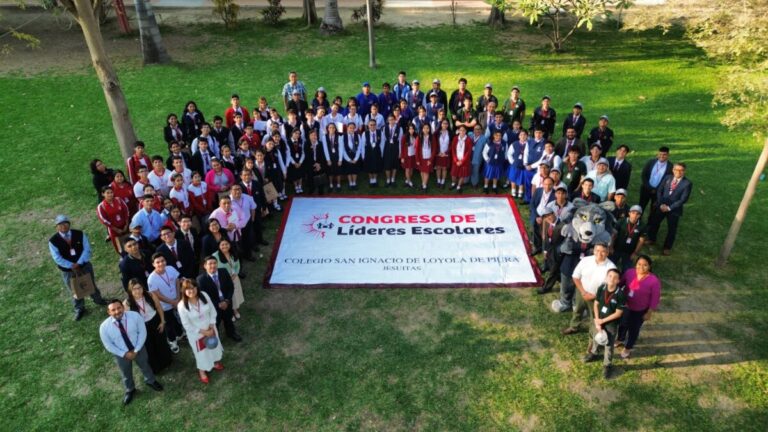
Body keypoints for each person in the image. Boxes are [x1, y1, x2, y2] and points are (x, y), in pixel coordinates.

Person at [99, 299, 164, 405]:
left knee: (145, 364)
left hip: (138, 348)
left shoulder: (135, 316)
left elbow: (142, 332)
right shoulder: (104, 327)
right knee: (125, 372)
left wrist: (136, 349)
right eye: (113, 310)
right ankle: (130, 389)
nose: (117, 311)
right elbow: (108, 345)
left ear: (123, 307)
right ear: (109, 312)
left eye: (119, 308)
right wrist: (124, 354)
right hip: (121, 354)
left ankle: (150, 380)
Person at [49, 215, 107, 321]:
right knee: (74, 289)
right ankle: (79, 308)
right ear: (56, 227)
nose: (63, 226)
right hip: (68, 271)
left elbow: (87, 249)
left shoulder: (79, 234)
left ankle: (98, 300)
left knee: (91, 283)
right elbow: (57, 258)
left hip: (84, 266)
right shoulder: (53, 241)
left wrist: (79, 263)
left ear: (69, 224)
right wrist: (71, 265)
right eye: (60, 224)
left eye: (65, 223)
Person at [561, 243, 616, 334]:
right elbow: (575, 277)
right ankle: (574, 326)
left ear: (607, 253)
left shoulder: (611, 267)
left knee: (595, 316)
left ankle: (594, 335)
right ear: (593, 251)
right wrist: (583, 292)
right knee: (577, 310)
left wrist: (594, 296)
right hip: (581, 291)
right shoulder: (585, 260)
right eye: (597, 250)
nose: (599, 253)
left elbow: (609, 287)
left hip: (597, 297)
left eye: (603, 251)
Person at [177, 279, 224, 384]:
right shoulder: (181, 306)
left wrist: (211, 325)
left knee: (213, 346)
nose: (191, 291)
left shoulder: (204, 295)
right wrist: (203, 332)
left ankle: (215, 363)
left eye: (193, 288)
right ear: (184, 291)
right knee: (201, 353)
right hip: (197, 334)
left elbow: (212, 310)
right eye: (188, 289)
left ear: (197, 288)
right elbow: (186, 325)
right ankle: (202, 371)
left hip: (210, 328)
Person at [616, 255, 661, 359]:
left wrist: (649, 312)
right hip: (626, 306)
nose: (641, 267)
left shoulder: (653, 281)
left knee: (634, 329)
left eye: (645, 265)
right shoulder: (629, 272)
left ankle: (628, 347)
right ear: (635, 264)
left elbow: (655, 298)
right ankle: (620, 339)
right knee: (623, 324)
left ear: (649, 266)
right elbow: (620, 284)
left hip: (640, 310)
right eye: (639, 264)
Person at [584, 269, 626, 379]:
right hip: (598, 319)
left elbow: (618, 313)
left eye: (615, 277)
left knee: (608, 344)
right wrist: (597, 319)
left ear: (618, 280)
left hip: (610, 323)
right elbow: (596, 304)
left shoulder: (620, 294)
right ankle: (594, 352)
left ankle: (607, 365)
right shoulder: (601, 288)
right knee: (595, 337)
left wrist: (602, 321)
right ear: (606, 278)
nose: (612, 279)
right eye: (610, 276)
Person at [124, 279, 173, 374]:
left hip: (155, 321)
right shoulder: (127, 303)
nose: (137, 291)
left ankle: (166, 361)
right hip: (141, 327)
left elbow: (159, 307)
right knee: (149, 347)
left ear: (143, 287)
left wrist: (162, 322)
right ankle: (155, 367)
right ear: (130, 290)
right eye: (134, 289)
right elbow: (128, 321)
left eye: (139, 288)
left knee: (161, 342)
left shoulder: (150, 295)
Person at [647, 163, 692, 255]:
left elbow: (683, 199)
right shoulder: (667, 177)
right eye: (676, 169)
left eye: (681, 170)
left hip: (674, 210)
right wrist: (660, 204)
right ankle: (652, 239)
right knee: (655, 222)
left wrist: (669, 208)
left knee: (672, 229)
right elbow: (660, 190)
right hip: (661, 205)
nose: (678, 172)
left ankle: (667, 247)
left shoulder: (687, 183)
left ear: (684, 171)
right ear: (673, 170)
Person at [197, 256, 243, 342]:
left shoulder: (223, 272)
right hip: (213, 306)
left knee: (228, 320)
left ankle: (231, 333)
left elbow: (230, 287)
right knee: (215, 323)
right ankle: (216, 337)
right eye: (210, 264)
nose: (213, 266)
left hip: (227, 302)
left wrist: (227, 301)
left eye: (214, 263)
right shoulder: (201, 280)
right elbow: (203, 297)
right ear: (205, 266)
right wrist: (218, 304)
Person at [147, 254, 182, 354]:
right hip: (165, 306)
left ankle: (180, 334)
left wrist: (178, 297)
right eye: (158, 262)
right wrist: (172, 302)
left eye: (162, 261)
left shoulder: (170, 268)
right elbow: (157, 295)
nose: (161, 263)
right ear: (153, 264)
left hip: (177, 300)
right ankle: (172, 341)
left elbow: (177, 281)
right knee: (169, 324)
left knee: (178, 319)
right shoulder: (151, 279)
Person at [213, 239, 244, 319]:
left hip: (234, 278)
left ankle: (235, 310)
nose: (224, 246)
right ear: (219, 246)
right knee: (227, 296)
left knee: (235, 295)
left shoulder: (233, 253)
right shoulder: (215, 256)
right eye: (222, 245)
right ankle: (230, 313)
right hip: (223, 281)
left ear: (229, 245)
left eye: (226, 244)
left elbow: (237, 265)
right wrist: (226, 278)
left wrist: (235, 274)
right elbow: (213, 270)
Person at [610, 205, 647, 271]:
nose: (635, 216)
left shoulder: (642, 226)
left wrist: (635, 253)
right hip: (616, 249)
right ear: (629, 213)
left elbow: (641, 241)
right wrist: (611, 247)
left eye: (637, 214)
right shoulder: (621, 221)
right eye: (633, 213)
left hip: (629, 252)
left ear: (640, 215)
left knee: (627, 271)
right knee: (610, 267)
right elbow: (613, 235)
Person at [639, 146, 673, 215]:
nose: (662, 156)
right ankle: (638, 222)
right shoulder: (650, 162)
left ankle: (650, 224)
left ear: (668, 155)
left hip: (658, 192)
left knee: (654, 209)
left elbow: (669, 181)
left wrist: (657, 190)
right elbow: (644, 175)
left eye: (664, 155)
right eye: (660, 154)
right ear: (657, 154)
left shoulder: (670, 167)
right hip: (646, 189)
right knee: (641, 206)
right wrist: (649, 187)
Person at [97, 185, 130, 254]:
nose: (110, 194)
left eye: (111, 192)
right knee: (119, 246)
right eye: (107, 193)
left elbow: (126, 211)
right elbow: (103, 220)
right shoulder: (101, 206)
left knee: (129, 241)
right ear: (103, 194)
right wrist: (116, 229)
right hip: (113, 230)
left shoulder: (119, 200)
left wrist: (126, 225)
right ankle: (123, 256)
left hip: (124, 226)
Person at [530, 176, 556, 253]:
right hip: (537, 213)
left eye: (550, 184)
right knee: (535, 228)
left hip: (548, 216)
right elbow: (532, 204)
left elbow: (555, 210)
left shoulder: (556, 194)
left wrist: (546, 217)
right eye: (545, 184)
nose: (547, 186)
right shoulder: (538, 191)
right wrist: (536, 216)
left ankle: (545, 247)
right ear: (542, 184)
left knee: (545, 232)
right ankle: (537, 247)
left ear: (553, 185)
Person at [450, 125, 472, 192]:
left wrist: (462, 161)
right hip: (455, 160)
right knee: (453, 173)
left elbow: (468, 152)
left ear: (466, 131)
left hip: (464, 161)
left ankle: (459, 186)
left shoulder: (468, 140)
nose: (462, 131)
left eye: (463, 130)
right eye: (460, 130)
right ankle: (453, 183)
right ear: (458, 131)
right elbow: (453, 150)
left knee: (462, 174)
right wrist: (456, 160)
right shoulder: (455, 138)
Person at [361, 119, 383, 187]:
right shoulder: (365, 133)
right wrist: (363, 155)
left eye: (374, 125)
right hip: (368, 151)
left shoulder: (380, 132)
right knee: (369, 166)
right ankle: (371, 179)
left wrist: (381, 153)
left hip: (377, 151)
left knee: (376, 165)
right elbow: (362, 145)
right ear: (368, 126)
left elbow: (382, 143)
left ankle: (375, 179)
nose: (372, 126)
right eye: (371, 125)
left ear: (376, 125)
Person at [415, 123, 436, 191]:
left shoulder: (432, 137)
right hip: (421, 158)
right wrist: (417, 160)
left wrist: (430, 160)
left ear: (429, 129)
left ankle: (424, 186)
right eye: (424, 128)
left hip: (428, 158)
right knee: (422, 171)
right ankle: (423, 184)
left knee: (426, 172)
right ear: (422, 129)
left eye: (427, 128)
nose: (426, 130)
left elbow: (434, 149)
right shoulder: (419, 137)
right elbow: (417, 149)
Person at [434, 119, 452, 188]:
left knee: (444, 168)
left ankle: (443, 181)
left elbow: (451, 144)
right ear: (441, 124)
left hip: (446, 154)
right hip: (439, 153)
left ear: (448, 125)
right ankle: (438, 180)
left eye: (446, 123)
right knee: (438, 167)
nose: (445, 125)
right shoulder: (437, 133)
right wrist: (438, 152)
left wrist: (446, 152)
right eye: (443, 123)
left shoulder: (450, 133)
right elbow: (434, 143)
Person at [400, 123, 418, 188]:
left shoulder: (416, 136)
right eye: (410, 129)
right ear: (408, 129)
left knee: (411, 168)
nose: (411, 130)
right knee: (407, 169)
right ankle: (409, 181)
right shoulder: (404, 137)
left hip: (413, 155)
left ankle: (408, 180)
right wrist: (402, 157)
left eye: (412, 129)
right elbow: (402, 147)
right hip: (406, 156)